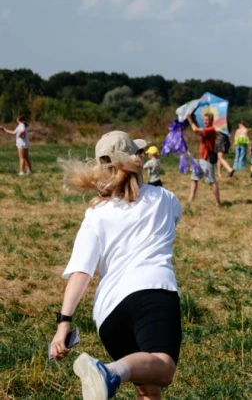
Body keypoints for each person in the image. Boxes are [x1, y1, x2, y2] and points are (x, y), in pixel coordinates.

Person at [49, 130, 183, 400]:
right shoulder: (165, 199)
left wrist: (64, 323)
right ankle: (109, 373)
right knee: (163, 369)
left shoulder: (95, 214)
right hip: (153, 293)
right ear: (137, 160)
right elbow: (173, 222)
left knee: (148, 388)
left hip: (110, 314)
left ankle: (111, 372)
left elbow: (81, 272)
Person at [187, 113, 221, 206]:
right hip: (201, 159)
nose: (205, 121)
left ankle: (218, 202)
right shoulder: (206, 129)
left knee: (211, 181)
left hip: (207, 159)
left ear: (211, 121)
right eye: (204, 120)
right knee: (194, 178)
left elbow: (195, 130)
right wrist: (194, 119)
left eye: (207, 120)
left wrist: (190, 120)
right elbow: (199, 130)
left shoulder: (211, 129)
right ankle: (190, 199)